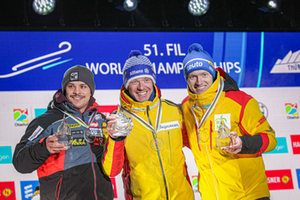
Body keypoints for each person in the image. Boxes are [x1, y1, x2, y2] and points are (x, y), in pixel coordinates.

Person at [181, 43, 277, 200]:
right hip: (212, 196)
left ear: (213, 73)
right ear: (187, 79)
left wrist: (243, 143)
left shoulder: (240, 101)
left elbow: (271, 139)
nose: (199, 82)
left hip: (248, 194)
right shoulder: (186, 107)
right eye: (193, 76)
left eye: (204, 74)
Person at [102, 50, 194, 200]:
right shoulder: (117, 120)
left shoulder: (174, 111)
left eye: (146, 80)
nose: (141, 87)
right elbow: (111, 170)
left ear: (153, 81)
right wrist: (116, 139)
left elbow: (200, 146)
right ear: (126, 85)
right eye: (134, 81)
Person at [13, 65, 114, 200]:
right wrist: (44, 147)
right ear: (64, 90)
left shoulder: (101, 120)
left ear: (91, 91)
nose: (77, 91)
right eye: (71, 86)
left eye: (83, 86)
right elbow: (20, 162)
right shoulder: (47, 121)